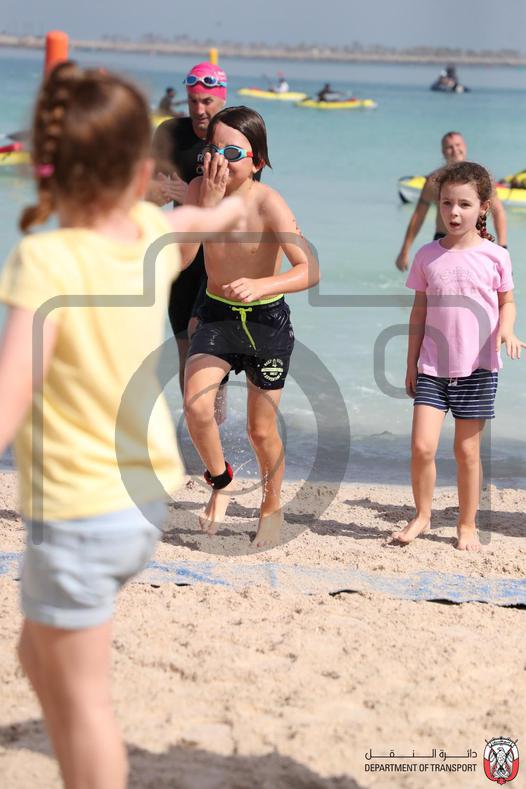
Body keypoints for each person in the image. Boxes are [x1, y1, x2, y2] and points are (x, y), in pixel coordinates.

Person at [0, 62, 244, 789]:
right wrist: (222, 201)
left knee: (84, 704)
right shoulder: (145, 230)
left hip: (82, 510)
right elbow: (199, 221)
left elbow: (9, 396)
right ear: (141, 169)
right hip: (141, 501)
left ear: (45, 167)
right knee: (37, 653)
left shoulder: (46, 260)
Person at [181, 106, 320, 548]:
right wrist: (204, 209)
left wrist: (263, 284)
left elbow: (309, 269)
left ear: (257, 160)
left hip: (265, 321)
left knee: (259, 431)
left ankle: (271, 506)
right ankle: (221, 482)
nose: (219, 161)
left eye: (232, 152)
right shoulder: (198, 190)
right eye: (212, 150)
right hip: (217, 315)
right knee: (196, 407)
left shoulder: (268, 203)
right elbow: (182, 260)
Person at [392, 161, 524, 551]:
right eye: (447, 203)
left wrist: (508, 330)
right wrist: (411, 363)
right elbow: (418, 313)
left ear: (483, 207)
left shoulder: (496, 256)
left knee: (466, 452)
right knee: (422, 447)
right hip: (432, 367)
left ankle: (467, 524)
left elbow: (508, 302)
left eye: (464, 204)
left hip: (478, 367)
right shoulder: (427, 256)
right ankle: (422, 515)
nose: (454, 212)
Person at [147, 62, 229, 394]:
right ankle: (195, 422)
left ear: (223, 99)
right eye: (193, 100)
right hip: (182, 255)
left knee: (206, 343)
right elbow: (146, 198)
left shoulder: (235, 137)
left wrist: (190, 197)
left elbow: (242, 208)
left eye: (207, 101)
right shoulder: (170, 133)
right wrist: (158, 194)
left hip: (221, 257)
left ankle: (216, 417)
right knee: (185, 345)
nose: (199, 110)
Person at [395, 132, 507, 271]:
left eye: (458, 145)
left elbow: (498, 212)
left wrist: (503, 246)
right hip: (442, 241)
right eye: (449, 147)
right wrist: (405, 250)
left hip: (474, 241)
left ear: (465, 146)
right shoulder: (434, 181)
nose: (455, 150)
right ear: (443, 152)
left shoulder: (480, 179)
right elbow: (418, 216)